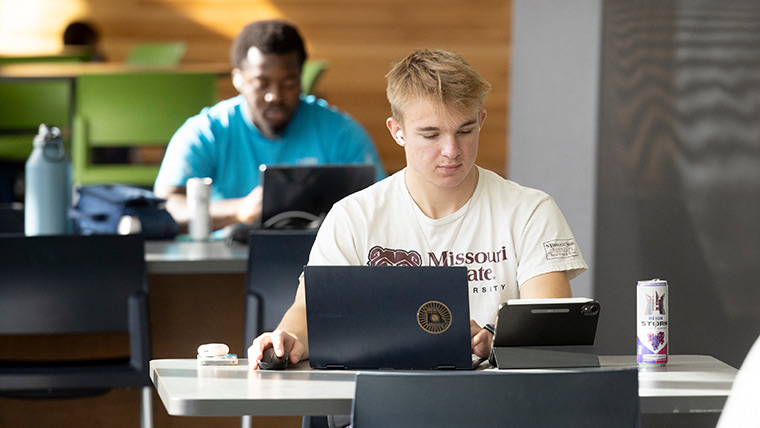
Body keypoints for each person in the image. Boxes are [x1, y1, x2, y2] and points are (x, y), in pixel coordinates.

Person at [248, 48, 588, 367]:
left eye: (465, 130)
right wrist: (287, 339)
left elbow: (549, 333)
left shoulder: (530, 210)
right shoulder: (353, 216)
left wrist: (497, 343)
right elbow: (309, 310)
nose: (452, 150)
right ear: (398, 132)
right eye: (430, 135)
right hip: (385, 402)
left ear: (481, 120)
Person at [153, 20, 385, 231]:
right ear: (238, 79)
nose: (275, 96)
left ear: (301, 77)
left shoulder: (341, 133)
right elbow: (164, 208)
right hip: (223, 265)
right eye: (261, 83)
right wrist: (238, 210)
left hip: (318, 262)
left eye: (289, 82)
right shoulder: (206, 133)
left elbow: (383, 205)